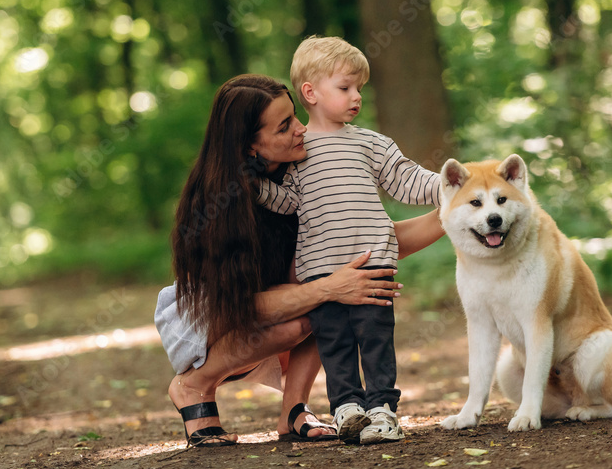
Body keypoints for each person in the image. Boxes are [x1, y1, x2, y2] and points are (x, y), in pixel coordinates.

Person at [157, 74, 444, 447]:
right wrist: (331, 285)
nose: (300, 130)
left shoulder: (303, 167)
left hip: (286, 296)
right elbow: (242, 305)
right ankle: (194, 383)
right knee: (321, 299)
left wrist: (451, 214)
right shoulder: (217, 205)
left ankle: (292, 410)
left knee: (325, 296)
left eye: (295, 117)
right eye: (284, 127)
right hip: (212, 314)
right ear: (250, 148)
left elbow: (361, 241)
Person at [254, 36, 441, 444]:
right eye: (345, 88)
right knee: (334, 345)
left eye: (359, 89)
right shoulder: (299, 154)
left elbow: (408, 181)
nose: (356, 97)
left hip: (373, 264)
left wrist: (454, 186)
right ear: (311, 93)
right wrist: (251, 185)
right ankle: (347, 409)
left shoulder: (370, 143)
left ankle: (382, 410)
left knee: (375, 341)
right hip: (322, 272)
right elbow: (287, 202)